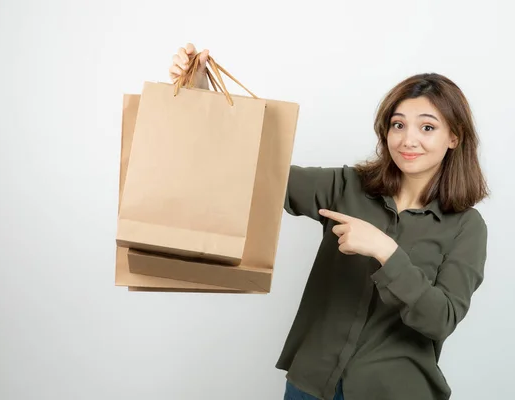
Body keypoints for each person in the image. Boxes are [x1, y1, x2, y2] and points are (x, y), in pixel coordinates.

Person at [169, 43, 489, 400]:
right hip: (310, 386)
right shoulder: (349, 186)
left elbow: (441, 319)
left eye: (427, 127)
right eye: (398, 125)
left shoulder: (466, 226)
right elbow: (257, 177)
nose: (408, 139)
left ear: (454, 138)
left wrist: (385, 250)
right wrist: (201, 97)